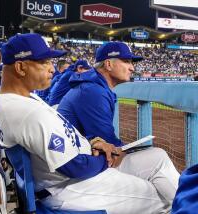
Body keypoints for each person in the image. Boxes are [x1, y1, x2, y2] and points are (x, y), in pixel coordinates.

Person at [0, 33, 177, 213]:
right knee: (162, 197)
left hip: (77, 168)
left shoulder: (19, 98)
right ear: (20, 67)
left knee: (158, 158)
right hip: (70, 186)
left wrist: (92, 143)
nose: (52, 69)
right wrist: (105, 158)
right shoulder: (27, 112)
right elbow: (75, 167)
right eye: (44, 62)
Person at [58, 41, 180, 208]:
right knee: (158, 159)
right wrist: (120, 149)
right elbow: (111, 151)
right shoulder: (93, 91)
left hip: (78, 162)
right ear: (108, 64)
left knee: (156, 164)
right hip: (76, 175)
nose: (132, 68)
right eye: (127, 61)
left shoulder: (92, 87)